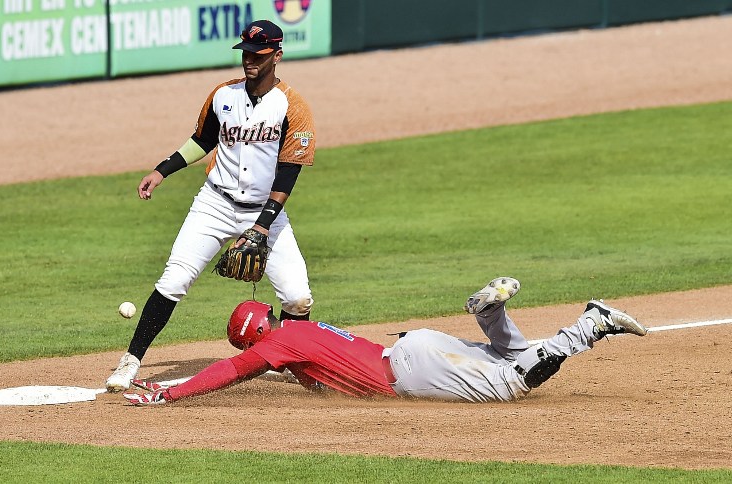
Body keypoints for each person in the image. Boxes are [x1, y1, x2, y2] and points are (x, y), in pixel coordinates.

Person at [106, 19, 317, 392]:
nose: (250, 60)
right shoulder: (223, 95)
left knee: (298, 296)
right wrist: (162, 171)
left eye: (260, 54)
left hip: (265, 210)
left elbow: (288, 173)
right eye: (247, 53)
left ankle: (286, 360)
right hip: (214, 204)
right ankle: (130, 361)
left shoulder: (293, 106)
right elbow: (202, 140)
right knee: (175, 279)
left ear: (278, 56)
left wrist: (262, 226)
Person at [123, 277, 648, 405]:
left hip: (413, 372)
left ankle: (591, 326)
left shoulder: (280, 345)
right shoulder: (303, 333)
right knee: (514, 355)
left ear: (255, 339)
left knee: (511, 382)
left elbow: (229, 372)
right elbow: (327, 378)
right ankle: (491, 316)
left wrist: (168, 392)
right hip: (412, 350)